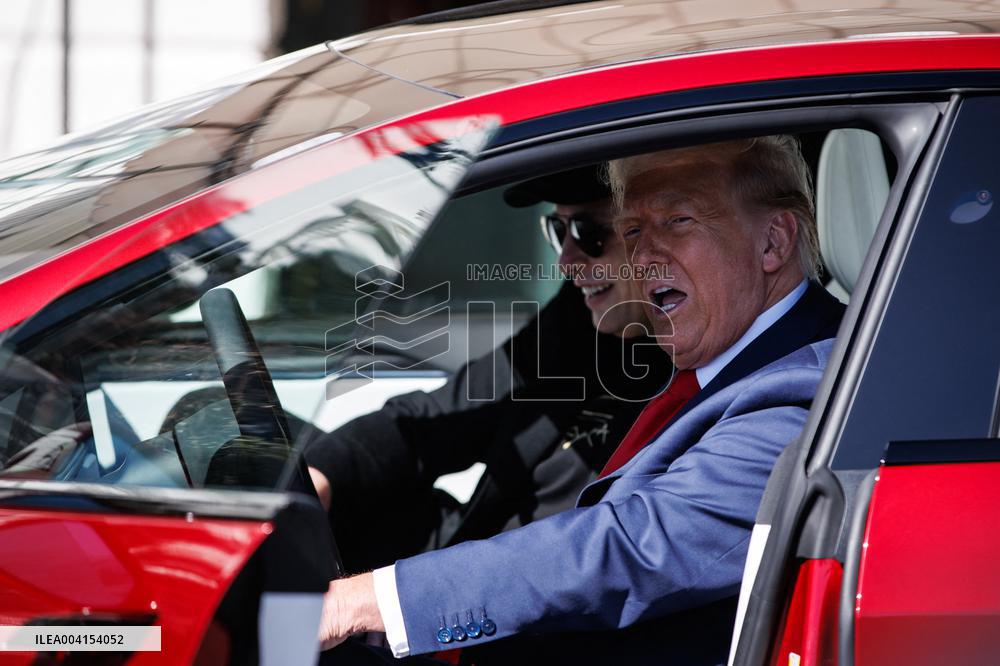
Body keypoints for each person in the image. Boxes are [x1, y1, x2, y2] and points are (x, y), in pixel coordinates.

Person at [317, 136, 846, 665]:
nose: (642, 255)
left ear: (773, 243)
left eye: (677, 221)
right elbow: (438, 419)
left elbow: (632, 546)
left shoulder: (805, 385)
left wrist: (373, 601)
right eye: (632, 231)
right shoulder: (697, 343)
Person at [304, 166, 672, 574]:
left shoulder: (700, 373)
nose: (566, 260)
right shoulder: (579, 319)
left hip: (518, 600)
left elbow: (596, 566)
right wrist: (322, 475)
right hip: (467, 558)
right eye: (556, 230)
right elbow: (440, 418)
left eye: (589, 232)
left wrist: (384, 604)